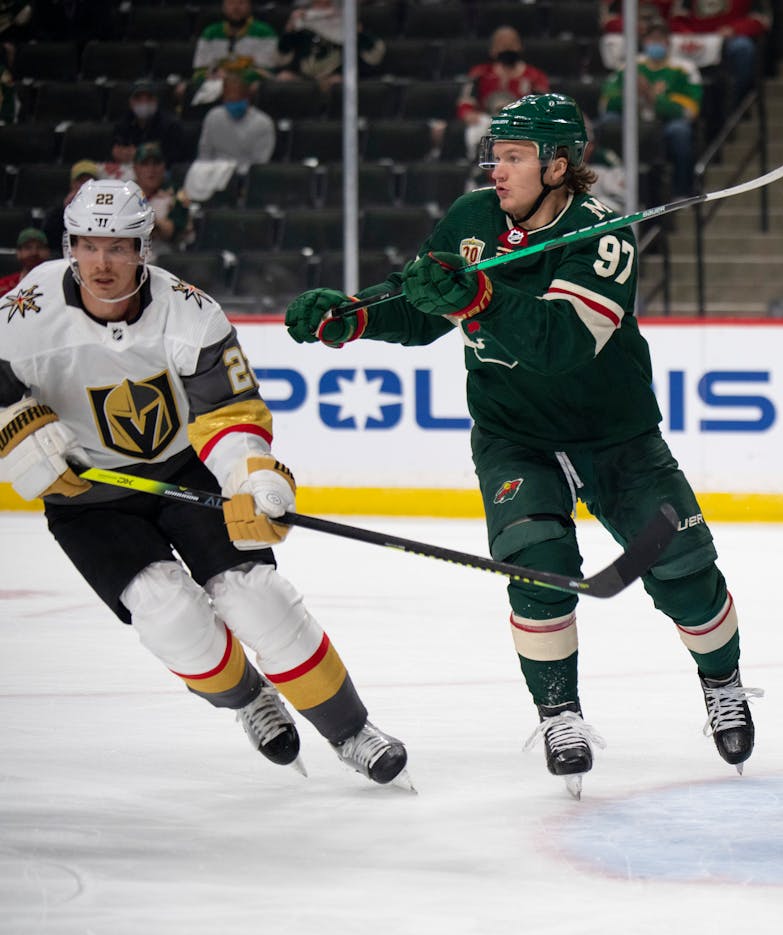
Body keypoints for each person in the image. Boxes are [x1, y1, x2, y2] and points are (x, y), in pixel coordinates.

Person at [281, 93, 758, 797]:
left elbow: (561, 345)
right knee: (537, 566)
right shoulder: (472, 218)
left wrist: (478, 300)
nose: (495, 170)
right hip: (514, 436)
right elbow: (421, 300)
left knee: (684, 567)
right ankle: (559, 712)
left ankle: (723, 683)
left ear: (558, 164)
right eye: (494, 156)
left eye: (512, 157)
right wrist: (355, 317)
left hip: (615, 434)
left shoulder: (603, 234)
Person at [0, 179, 409, 786]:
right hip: (88, 499)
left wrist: (251, 477)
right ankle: (250, 701)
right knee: (167, 613)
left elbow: (228, 413)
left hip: (184, 471)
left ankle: (351, 730)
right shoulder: (23, 315)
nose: (102, 262)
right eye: (88, 245)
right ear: (71, 245)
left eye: (118, 246)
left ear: (144, 248)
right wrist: (13, 431)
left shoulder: (191, 313)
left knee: (257, 598)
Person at [598, 16, 703, 199]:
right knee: (608, 122)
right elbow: (606, 103)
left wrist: (652, 98)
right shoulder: (628, 66)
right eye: (651, 39)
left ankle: (683, 191)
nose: (655, 43)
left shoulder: (684, 68)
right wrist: (633, 97)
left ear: (668, 42)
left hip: (665, 123)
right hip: (633, 120)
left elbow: (690, 110)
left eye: (660, 39)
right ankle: (609, 186)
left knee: (680, 132)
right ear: (644, 42)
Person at [455, 25, 551, 163]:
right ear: (493, 50)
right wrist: (468, 113)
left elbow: (544, 108)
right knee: (476, 130)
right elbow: (465, 101)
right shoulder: (480, 74)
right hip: (487, 121)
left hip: (522, 125)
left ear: (520, 47)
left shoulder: (534, 76)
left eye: (511, 44)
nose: (507, 48)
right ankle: (478, 169)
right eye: (502, 44)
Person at [274, 0, 386, 93]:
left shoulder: (345, 19)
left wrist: (358, 32)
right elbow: (281, 56)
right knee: (283, 79)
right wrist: (289, 31)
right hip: (304, 77)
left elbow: (375, 55)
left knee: (338, 85)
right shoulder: (301, 20)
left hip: (336, 77)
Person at [189, 0, 281, 107]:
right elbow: (199, 71)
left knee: (257, 87)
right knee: (185, 89)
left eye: (241, 3)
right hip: (215, 85)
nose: (236, 8)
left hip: (250, 88)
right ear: (223, 7)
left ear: (250, 6)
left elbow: (266, 71)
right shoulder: (210, 33)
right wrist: (213, 75)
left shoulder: (265, 32)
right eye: (231, 3)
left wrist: (230, 79)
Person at [196, 67, 276, 169]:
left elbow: (260, 162)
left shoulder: (263, 123)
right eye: (230, 100)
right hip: (214, 174)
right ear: (224, 99)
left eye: (238, 99)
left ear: (247, 98)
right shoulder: (213, 116)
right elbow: (204, 153)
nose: (234, 104)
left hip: (246, 177)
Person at [132, 143, 192, 256]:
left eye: (156, 163)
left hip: (165, 253)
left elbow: (172, 231)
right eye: (145, 164)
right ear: (135, 168)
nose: (151, 169)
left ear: (164, 166)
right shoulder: (126, 193)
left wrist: (148, 221)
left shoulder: (177, 192)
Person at [112, 79, 188, 167]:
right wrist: (118, 153)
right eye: (138, 99)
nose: (144, 103)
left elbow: (174, 158)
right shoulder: (123, 124)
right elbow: (117, 147)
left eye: (149, 98)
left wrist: (141, 155)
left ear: (156, 101)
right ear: (131, 102)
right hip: (129, 169)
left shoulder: (171, 126)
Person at [40, 160, 101, 255]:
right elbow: (48, 238)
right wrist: (64, 209)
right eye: (81, 180)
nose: (85, 185)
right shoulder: (59, 206)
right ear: (72, 183)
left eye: (89, 181)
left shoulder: (104, 206)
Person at [0, 226, 47, 293]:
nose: (34, 252)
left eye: (40, 247)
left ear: (48, 252)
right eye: (28, 248)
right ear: (18, 253)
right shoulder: (3, 285)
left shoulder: (56, 283)